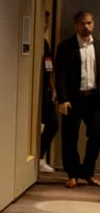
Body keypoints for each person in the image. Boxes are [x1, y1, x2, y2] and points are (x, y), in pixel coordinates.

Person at [54, 10, 100, 188]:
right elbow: (60, 75)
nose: (86, 26)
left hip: (94, 99)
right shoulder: (65, 47)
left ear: (93, 24)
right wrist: (63, 99)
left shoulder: (98, 46)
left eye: (89, 23)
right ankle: (72, 174)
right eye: (82, 23)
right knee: (70, 137)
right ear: (76, 25)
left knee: (97, 134)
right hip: (73, 99)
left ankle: (87, 172)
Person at [39, 11, 58, 172]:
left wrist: (53, 89)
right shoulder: (33, 43)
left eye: (46, 22)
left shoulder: (45, 44)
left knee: (53, 124)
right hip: (32, 93)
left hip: (45, 91)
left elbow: (49, 68)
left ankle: (38, 156)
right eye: (42, 21)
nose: (45, 25)